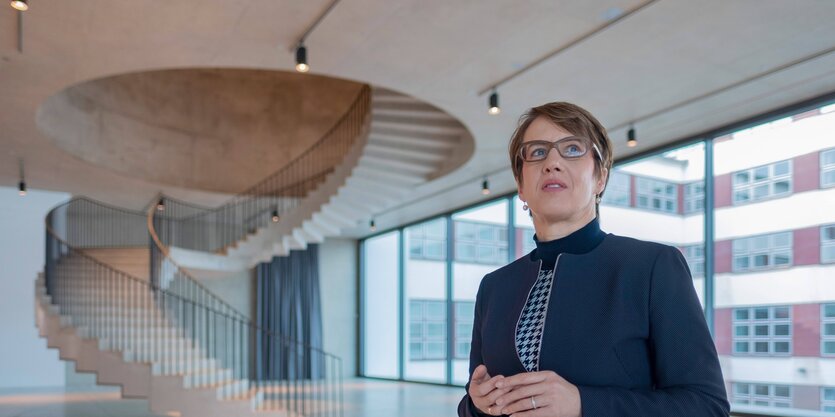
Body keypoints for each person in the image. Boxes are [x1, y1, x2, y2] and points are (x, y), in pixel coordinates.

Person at [457, 102, 729, 416]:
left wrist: (583, 404)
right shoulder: (494, 287)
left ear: (600, 177)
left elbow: (707, 407)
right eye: (537, 152)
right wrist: (477, 405)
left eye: (572, 148)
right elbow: (470, 405)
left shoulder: (652, 267)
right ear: (520, 185)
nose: (552, 162)